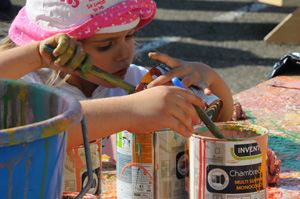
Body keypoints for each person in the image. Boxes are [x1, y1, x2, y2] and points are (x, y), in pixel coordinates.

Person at [0, 0, 234, 195]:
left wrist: (210, 78)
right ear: (61, 48)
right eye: (106, 46)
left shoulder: (138, 83)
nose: (125, 53)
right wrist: (37, 55)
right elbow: (44, 132)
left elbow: (222, 122)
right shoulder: (26, 85)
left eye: (129, 36)